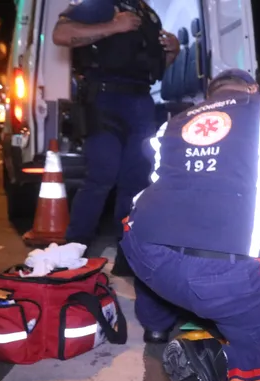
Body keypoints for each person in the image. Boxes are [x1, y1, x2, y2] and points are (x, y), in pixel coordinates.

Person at [121, 69, 260, 381]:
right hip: (226, 276)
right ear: (253, 88)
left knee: (155, 239)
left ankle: (156, 325)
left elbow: (162, 188)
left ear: (209, 96)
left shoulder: (173, 122)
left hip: (145, 253)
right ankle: (221, 366)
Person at [52, 0, 180, 259]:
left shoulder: (148, 14)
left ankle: (127, 253)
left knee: (135, 181)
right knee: (102, 176)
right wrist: (113, 26)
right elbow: (61, 34)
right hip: (104, 99)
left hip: (141, 102)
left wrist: (172, 53)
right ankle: (73, 249)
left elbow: (152, 68)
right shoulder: (102, 5)